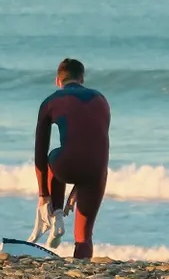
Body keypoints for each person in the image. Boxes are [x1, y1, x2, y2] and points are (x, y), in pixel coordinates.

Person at [33, 58, 111, 260]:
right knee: (84, 237)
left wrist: (43, 195)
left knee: (52, 155)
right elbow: (98, 145)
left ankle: (57, 214)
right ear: (82, 78)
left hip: (66, 164)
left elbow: (39, 154)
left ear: (57, 81)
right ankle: (81, 278)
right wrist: (82, 183)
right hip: (97, 170)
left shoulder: (51, 101)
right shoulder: (101, 99)